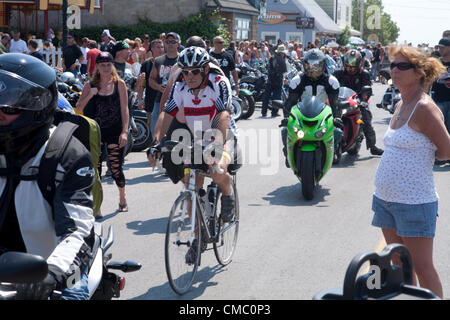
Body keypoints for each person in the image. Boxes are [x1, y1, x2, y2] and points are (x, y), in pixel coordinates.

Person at [0, 53, 95, 300]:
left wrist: (51, 272)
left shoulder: (67, 155)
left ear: (37, 107)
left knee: (73, 295)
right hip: (5, 266)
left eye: (8, 105)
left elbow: (77, 232)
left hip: (55, 264)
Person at [371, 45, 450, 299]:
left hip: (414, 201)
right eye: (392, 65)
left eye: (402, 66)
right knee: (399, 266)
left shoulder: (424, 108)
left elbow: (446, 150)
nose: (394, 70)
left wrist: (424, 156)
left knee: (423, 268)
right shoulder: (399, 104)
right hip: (386, 200)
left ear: (418, 72)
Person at [150, 47, 241, 262]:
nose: (189, 77)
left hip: (223, 134)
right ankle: (198, 239)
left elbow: (224, 115)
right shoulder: (180, 86)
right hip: (195, 138)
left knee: (217, 169)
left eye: (195, 72)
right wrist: (157, 143)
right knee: (191, 186)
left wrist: (217, 146)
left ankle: (227, 195)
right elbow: (167, 113)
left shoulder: (218, 82)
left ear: (206, 69)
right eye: (185, 72)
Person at [76, 52, 129, 213]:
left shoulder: (119, 84)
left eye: (108, 65)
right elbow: (79, 108)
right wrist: (90, 96)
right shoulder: (90, 85)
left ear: (112, 65)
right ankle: (96, 203)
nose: (105, 68)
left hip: (114, 131)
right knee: (95, 169)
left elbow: (125, 109)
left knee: (115, 167)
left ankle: (122, 198)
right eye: (102, 65)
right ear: (97, 67)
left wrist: (125, 131)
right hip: (95, 132)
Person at [281, 48, 341, 166]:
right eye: (309, 65)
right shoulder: (297, 80)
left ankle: (334, 150)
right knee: (285, 131)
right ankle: (288, 153)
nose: (313, 69)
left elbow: (335, 103)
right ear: (304, 65)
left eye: (317, 65)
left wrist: (336, 118)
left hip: (323, 114)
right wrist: (287, 117)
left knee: (337, 131)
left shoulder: (331, 81)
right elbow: (291, 102)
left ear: (323, 65)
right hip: (302, 114)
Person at [333, 49, 384, 155]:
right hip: (340, 101)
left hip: (358, 100)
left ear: (359, 62)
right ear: (344, 61)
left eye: (354, 62)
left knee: (365, 118)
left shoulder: (364, 74)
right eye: (349, 61)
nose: (351, 65)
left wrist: (364, 100)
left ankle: (372, 146)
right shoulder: (338, 73)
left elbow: (367, 89)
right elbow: (331, 87)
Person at [148, 32, 180, 135]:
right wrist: (158, 87)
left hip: (179, 100)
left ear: (178, 43)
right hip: (160, 100)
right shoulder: (158, 60)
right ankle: (157, 149)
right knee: (155, 129)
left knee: (177, 130)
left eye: (173, 41)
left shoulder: (183, 60)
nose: (170, 44)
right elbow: (151, 80)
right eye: (167, 41)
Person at [137, 39, 165, 128]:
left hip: (165, 101)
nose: (160, 49)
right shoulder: (146, 64)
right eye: (158, 47)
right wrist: (140, 99)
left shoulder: (168, 62)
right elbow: (142, 84)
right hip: (151, 101)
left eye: (162, 47)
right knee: (152, 128)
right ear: (152, 49)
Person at [430, 38, 450, 147]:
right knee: (440, 128)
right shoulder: (436, 63)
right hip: (438, 100)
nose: (440, 49)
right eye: (439, 47)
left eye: (443, 47)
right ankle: (442, 153)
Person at [261, 45, 287, 117]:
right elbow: (284, 71)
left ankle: (264, 112)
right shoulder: (282, 60)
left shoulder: (271, 58)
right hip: (278, 81)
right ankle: (274, 112)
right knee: (276, 97)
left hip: (270, 79)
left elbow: (268, 68)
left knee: (266, 96)